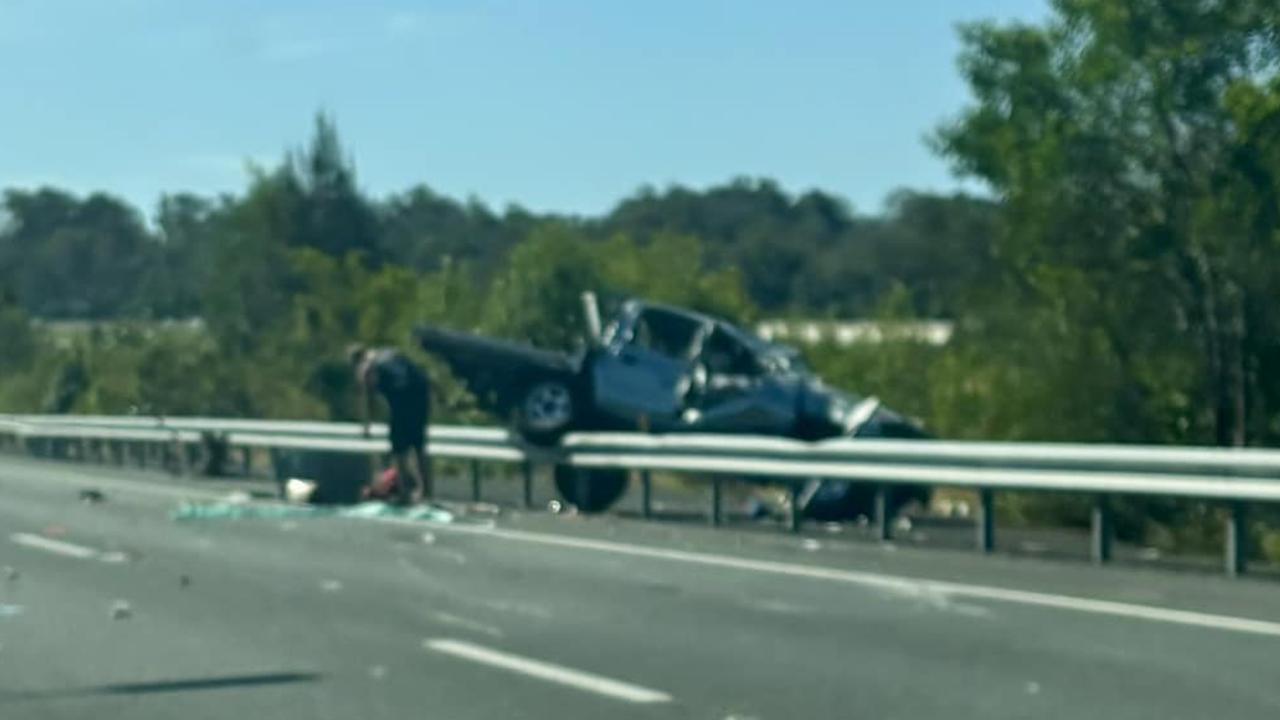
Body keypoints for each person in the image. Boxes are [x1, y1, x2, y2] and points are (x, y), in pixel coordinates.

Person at [349, 344, 432, 505]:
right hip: (420, 396)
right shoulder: (391, 353)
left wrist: (367, 425)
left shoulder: (366, 367)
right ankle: (427, 492)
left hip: (401, 399)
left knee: (399, 450)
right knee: (419, 446)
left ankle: (405, 493)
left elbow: (368, 397)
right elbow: (421, 373)